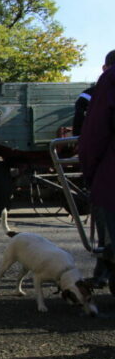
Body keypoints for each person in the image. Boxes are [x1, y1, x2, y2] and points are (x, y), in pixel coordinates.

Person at [75, 50, 115, 285]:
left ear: (105, 67)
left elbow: (93, 133)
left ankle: (105, 270)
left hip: (110, 173)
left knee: (107, 227)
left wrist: (90, 172)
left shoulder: (107, 82)